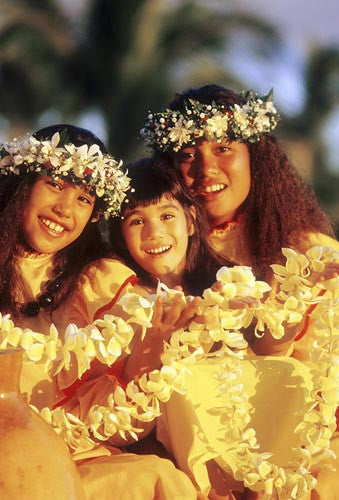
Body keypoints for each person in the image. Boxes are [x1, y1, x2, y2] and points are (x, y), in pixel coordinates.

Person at [140, 85, 339, 498]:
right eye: (188, 155)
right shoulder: (158, 247)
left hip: (302, 441)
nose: (206, 170)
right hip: (184, 452)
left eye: (224, 149)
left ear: (256, 157)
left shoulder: (309, 250)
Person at [0, 124, 200, 500]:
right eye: (55, 185)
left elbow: (121, 425)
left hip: (75, 461)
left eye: (84, 199)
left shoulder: (102, 284)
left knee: (157, 476)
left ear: (95, 215)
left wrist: (152, 351)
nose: (64, 209)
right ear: (24, 182)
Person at [108, 158, 327, 500]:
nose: (155, 233)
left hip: (241, 421)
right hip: (164, 425)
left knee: (292, 373)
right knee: (184, 383)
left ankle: (268, 486)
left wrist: (294, 303)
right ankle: (213, 491)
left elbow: (271, 347)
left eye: (167, 216)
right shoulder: (127, 296)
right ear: (120, 236)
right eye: (137, 221)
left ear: (191, 222)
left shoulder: (225, 278)